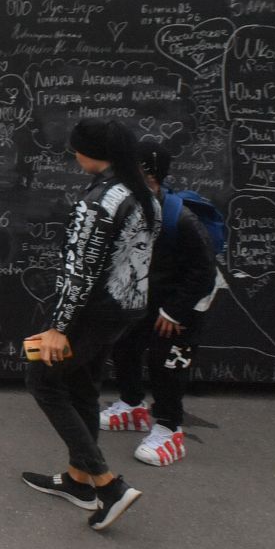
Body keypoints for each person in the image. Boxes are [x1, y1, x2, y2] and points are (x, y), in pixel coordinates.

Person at [21, 118, 155, 531]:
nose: (73, 155)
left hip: (91, 312)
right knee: (82, 383)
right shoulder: (141, 192)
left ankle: (106, 484)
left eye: (75, 149)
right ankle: (79, 480)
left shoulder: (98, 201)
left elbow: (79, 271)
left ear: (89, 153)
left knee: (42, 381)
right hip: (126, 308)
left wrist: (59, 326)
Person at [100, 140, 221, 468]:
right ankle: (132, 406)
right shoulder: (133, 205)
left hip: (185, 302)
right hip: (150, 295)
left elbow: (204, 271)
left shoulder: (180, 218)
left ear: (146, 173)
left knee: (167, 363)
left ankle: (169, 429)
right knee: (125, 346)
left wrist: (176, 310)